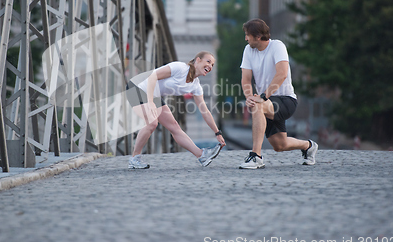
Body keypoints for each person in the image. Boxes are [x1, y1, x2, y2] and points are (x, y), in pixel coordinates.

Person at [239, 19, 318, 169]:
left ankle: (256, 156)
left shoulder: (277, 46)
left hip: (285, 100)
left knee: (258, 105)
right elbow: (246, 79)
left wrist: (262, 97)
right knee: (279, 145)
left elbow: (281, 74)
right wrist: (249, 96)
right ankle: (308, 146)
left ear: (257, 36)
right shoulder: (248, 50)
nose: (245, 38)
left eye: (247, 35)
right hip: (268, 102)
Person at [126, 51, 226, 169]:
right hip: (137, 87)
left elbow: (205, 111)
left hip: (153, 95)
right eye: (208, 61)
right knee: (152, 123)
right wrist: (150, 102)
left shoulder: (196, 86)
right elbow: (153, 76)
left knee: (174, 126)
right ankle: (134, 158)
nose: (210, 66)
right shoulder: (180, 68)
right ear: (197, 60)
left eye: (213, 65)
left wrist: (217, 132)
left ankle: (201, 156)